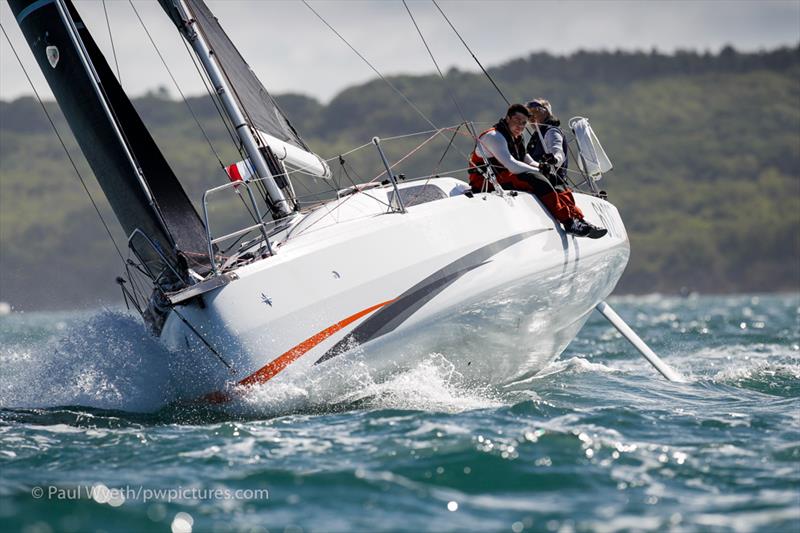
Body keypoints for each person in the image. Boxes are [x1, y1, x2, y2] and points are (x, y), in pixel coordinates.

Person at [468, 104, 606, 238]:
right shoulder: (494, 136)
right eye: (517, 121)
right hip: (486, 181)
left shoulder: (517, 136)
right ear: (508, 118)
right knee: (538, 181)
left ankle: (578, 219)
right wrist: (539, 170)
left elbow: (526, 159)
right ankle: (569, 223)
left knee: (554, 179)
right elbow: (512, 165)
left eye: (524, 123)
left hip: (506, 176)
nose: (520, 126)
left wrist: (542, 167)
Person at [526, 98, 606, 238]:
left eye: (535, 112)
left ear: (546, 113)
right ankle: (580, 222)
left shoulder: (551, 132)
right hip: (539, 175)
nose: (531, 117)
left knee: (559, 192)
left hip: (552, 176)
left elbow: (558, 152)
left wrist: (554, 160)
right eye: (529, 114)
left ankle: (577, 222)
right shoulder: (537, 133)